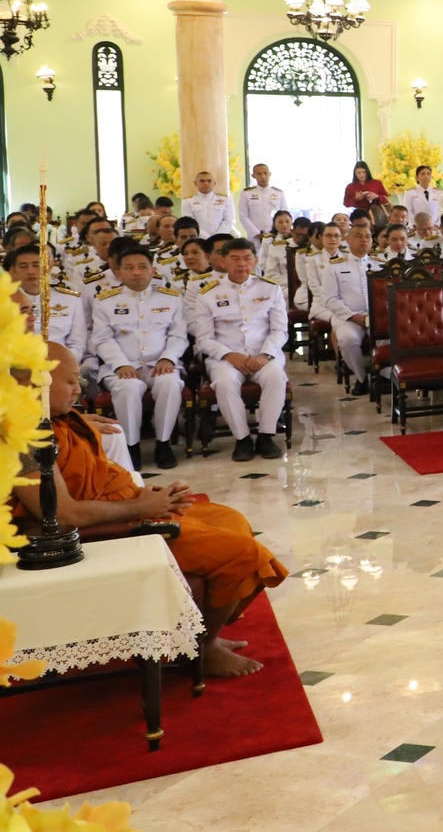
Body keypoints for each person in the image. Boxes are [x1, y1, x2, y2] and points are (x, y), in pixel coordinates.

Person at [22, 342, 288, 678]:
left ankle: (198, 630)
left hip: (127, 506)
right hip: (104, 532)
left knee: (230, 519)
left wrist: (141, 497)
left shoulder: (53, 419)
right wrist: (143, 505)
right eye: (71, 381)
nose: (79, 389)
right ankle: (203, 649)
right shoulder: (24, 439)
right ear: (34, 385)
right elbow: (63, 517)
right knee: (242, 552)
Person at [185, 238, 289, 462]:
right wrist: (228, 355)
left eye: (246, 258)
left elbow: (280, 330)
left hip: (263, 354)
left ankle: (266, 435)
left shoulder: (270, 289)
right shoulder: (208, 293)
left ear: (255, 260)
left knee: (275, 377)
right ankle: (242, 439)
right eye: (235, 258)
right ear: (223, 261)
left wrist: (265, 355)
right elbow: (203, 338)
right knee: (224, 383)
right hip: (225, 357)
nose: (242, 264)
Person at [90, 241, 188, 469]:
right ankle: (131, 447)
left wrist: (168, 358)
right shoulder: (105, 301)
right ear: (118, 272)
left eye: (143, 266)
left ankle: (163, 444)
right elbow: (102, 339)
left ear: (153, 270)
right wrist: (120, 364)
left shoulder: (171, 297)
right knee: (128, 388)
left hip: (159, 363)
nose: (137, 272)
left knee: (170, 384)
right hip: (122, 366)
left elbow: (179, 335)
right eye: (130, 267)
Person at [321, 224, 376, 396]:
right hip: (348, 318)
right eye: (359, 236)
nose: (364, 240)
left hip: (377, 318)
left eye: (368, 236)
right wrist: (354, 316)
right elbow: (330, 299)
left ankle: (386, 376)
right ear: (348, 240)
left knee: (390, 339)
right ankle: (361, 378)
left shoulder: (380, 264)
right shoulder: (334, 267)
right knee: (346, 340)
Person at [7, 242, 86, 356]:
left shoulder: (71, 300)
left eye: (36, 265)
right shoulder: (5, 302)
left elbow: (78, 344)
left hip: (60, 365)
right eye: (23, 266)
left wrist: (63, 366)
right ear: (14, 271)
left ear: (48, 267)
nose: (31, 271)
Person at [237, 164, 287, 237]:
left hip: (276, 235)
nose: (263, 176)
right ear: (253, 176)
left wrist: (279, 231)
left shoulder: (279, 193)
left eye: (265, 173)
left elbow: (285, 215)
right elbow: (244, 216)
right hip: (255, 237)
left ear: (269, 174)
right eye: (259, 174)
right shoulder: (246, 193)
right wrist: (257, 233)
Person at [183, 169, 234, 237]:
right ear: (195, 183)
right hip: (199, 239)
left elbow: (229, 220)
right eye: (202, 181)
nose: (206, 183)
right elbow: (190, 223)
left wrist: (218, 237)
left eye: (209, 181)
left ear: (214, 183)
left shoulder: (225, 199)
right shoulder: (188, 201)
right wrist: (206, 237)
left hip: (221, 238)